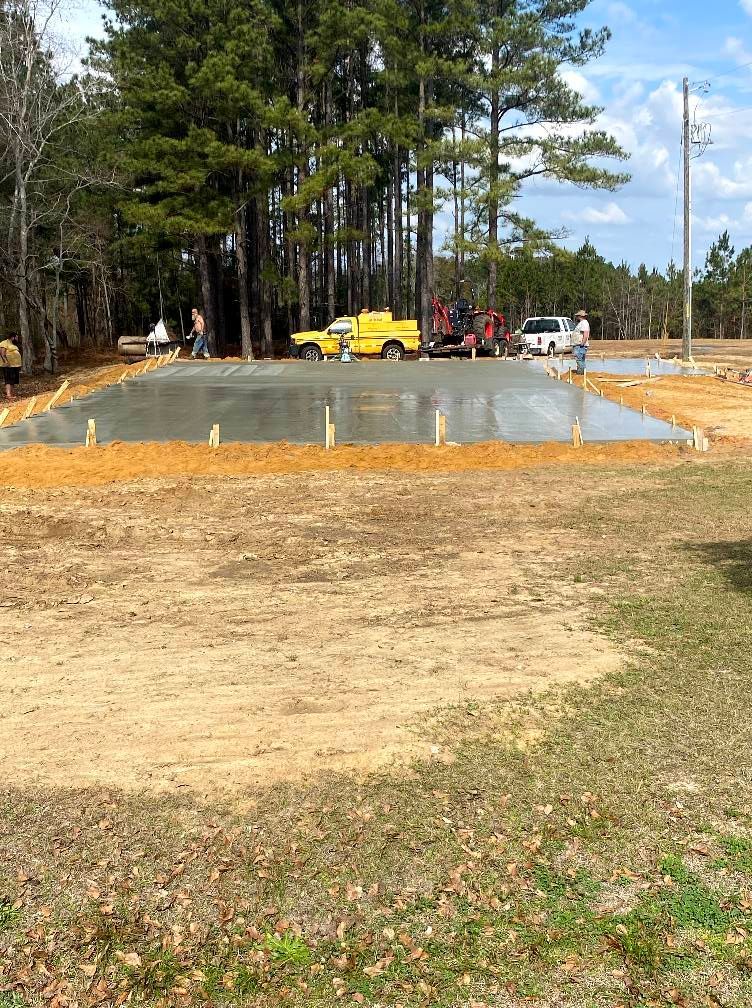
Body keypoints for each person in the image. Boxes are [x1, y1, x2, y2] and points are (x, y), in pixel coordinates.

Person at [0, 334, 22, 401]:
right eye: (16, 338)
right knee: (9, 379)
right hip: (8, 365)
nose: (17, 339)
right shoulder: (4, 343)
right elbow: (2, 353)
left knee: (13, 379)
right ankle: (8, 395)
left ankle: (12, 394)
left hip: (15, 365)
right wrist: (6, 362)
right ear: (12, 337)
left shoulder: (13, 345)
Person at [573, 309, 590, 375]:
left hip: (580, 345)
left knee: (579, 359)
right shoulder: (582, 323)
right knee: (580, 359)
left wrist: (582, 343)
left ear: (580, 316)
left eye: (577, 316)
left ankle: (581, 373)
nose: (577, 317)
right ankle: (582, 372)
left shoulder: (584, 323)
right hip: (579, 344)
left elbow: (585, 334)